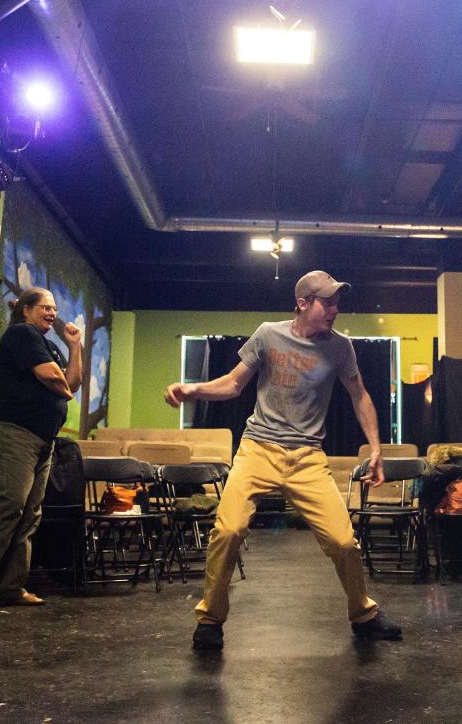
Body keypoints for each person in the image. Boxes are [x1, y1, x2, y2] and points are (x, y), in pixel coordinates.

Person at [164, 270, 402, 651]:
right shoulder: (268, 334)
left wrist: (376, 447)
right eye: (328, 302)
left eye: (338, 302)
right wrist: (193, 389)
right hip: (258, 449)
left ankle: (364, 615)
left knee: (343, 541)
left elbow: (359, 395)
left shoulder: (340, 347)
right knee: (227, 531)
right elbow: (233, 383)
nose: (335, 309)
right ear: (303, 303)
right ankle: (210, 621)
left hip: (308, 457)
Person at [0, 287, 82, 615]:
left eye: (55, 308)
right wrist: (64, 389)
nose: (52, 313)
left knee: (29, 515)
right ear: (26, 309)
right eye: (45, 307)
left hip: (43, 439)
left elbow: (72, 380)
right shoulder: (22, 334)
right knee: (6, 507)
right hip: (14, 433)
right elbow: (53, 377)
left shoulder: (49, 345)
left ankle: (11, 586)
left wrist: (75, 346)